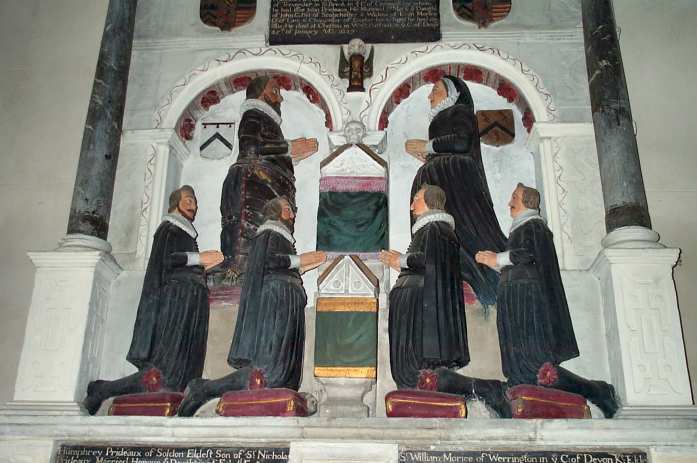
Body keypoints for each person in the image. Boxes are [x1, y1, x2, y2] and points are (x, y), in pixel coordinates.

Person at [476, 183, 619, 418]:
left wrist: (497, 258)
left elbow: (528, 254)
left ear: (528, 201)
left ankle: (596, 391)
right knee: (518, 363)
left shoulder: (534, 226)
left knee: (536, 363)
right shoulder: (520, 228)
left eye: (514, 197)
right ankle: (526, 393)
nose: (509, 201)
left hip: (527, 298)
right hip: (514, 295)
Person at [178, 197, 326, 416]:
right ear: (274, 210)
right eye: (288, 209)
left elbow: (279, 266)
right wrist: (299, 261)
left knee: (284, 366)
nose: (292, 215)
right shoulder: (268, 234)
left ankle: (280, 390)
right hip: (275, 302)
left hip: (287, 300)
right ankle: (204, 389)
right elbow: (271, 263)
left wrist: (300, 268)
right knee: (266, 370)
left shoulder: (280, 237)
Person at [83, 185, 224, 415]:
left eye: (195, 202)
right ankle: (103, 389)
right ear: (175, 202)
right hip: (175, 302)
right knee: (163, 370)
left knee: (183, 366)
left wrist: (205, 265)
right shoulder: (169, 229)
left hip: (190, 302)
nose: (192, 205)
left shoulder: (186, 234)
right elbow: (168, 259)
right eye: (188, 200)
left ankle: (178, 390)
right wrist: (199, 258)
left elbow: (185, 264)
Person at [380, 184, 509, 417]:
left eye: (416, 199)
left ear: (429, 200)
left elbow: (431, 262)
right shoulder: (429, 229)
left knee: (419, 371)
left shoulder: (436, 229)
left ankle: (485, 389)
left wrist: (402, 261)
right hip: (415, 301)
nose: (411, 206)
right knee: (414, 373)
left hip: (421, 304)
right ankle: (477, 390)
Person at [404, 75, 505, 305]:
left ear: (453, 93)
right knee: (439, 234)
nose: (430, 96)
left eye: (436, 90)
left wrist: (428, 146)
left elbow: (461, 143)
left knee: (466, 230)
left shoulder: (460, 112)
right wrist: (428, 156)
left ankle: (488, 281)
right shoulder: (441, 117)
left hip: (457, 180)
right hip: (445, 177)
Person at [219, 76, 319, 277]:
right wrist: (288, 148)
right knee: (248, 237)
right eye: (274, 91)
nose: (280, 99)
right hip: (254, 183)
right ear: (259, 93)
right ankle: (238, 275)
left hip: (267, 184)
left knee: (271, 239)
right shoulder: (253, 114)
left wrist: (292, 156)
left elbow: (267, 153)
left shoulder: (266, 120)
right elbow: (250, 148)